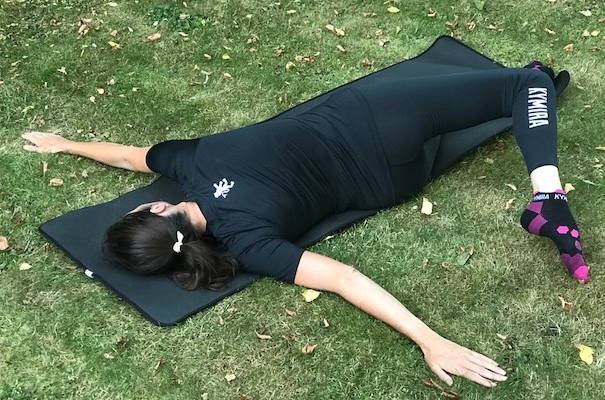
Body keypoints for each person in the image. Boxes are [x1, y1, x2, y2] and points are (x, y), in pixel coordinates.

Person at [22, 60, 588, 389]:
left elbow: (343, 277)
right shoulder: (187, 163)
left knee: (512, 89)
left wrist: (430, 340)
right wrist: (65, 142)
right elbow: (128, 154)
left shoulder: (246, 245)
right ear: (152, 208)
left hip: (391, 179)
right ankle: (546, 193)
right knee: (525, 84)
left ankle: (539, 175)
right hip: (373, 118)